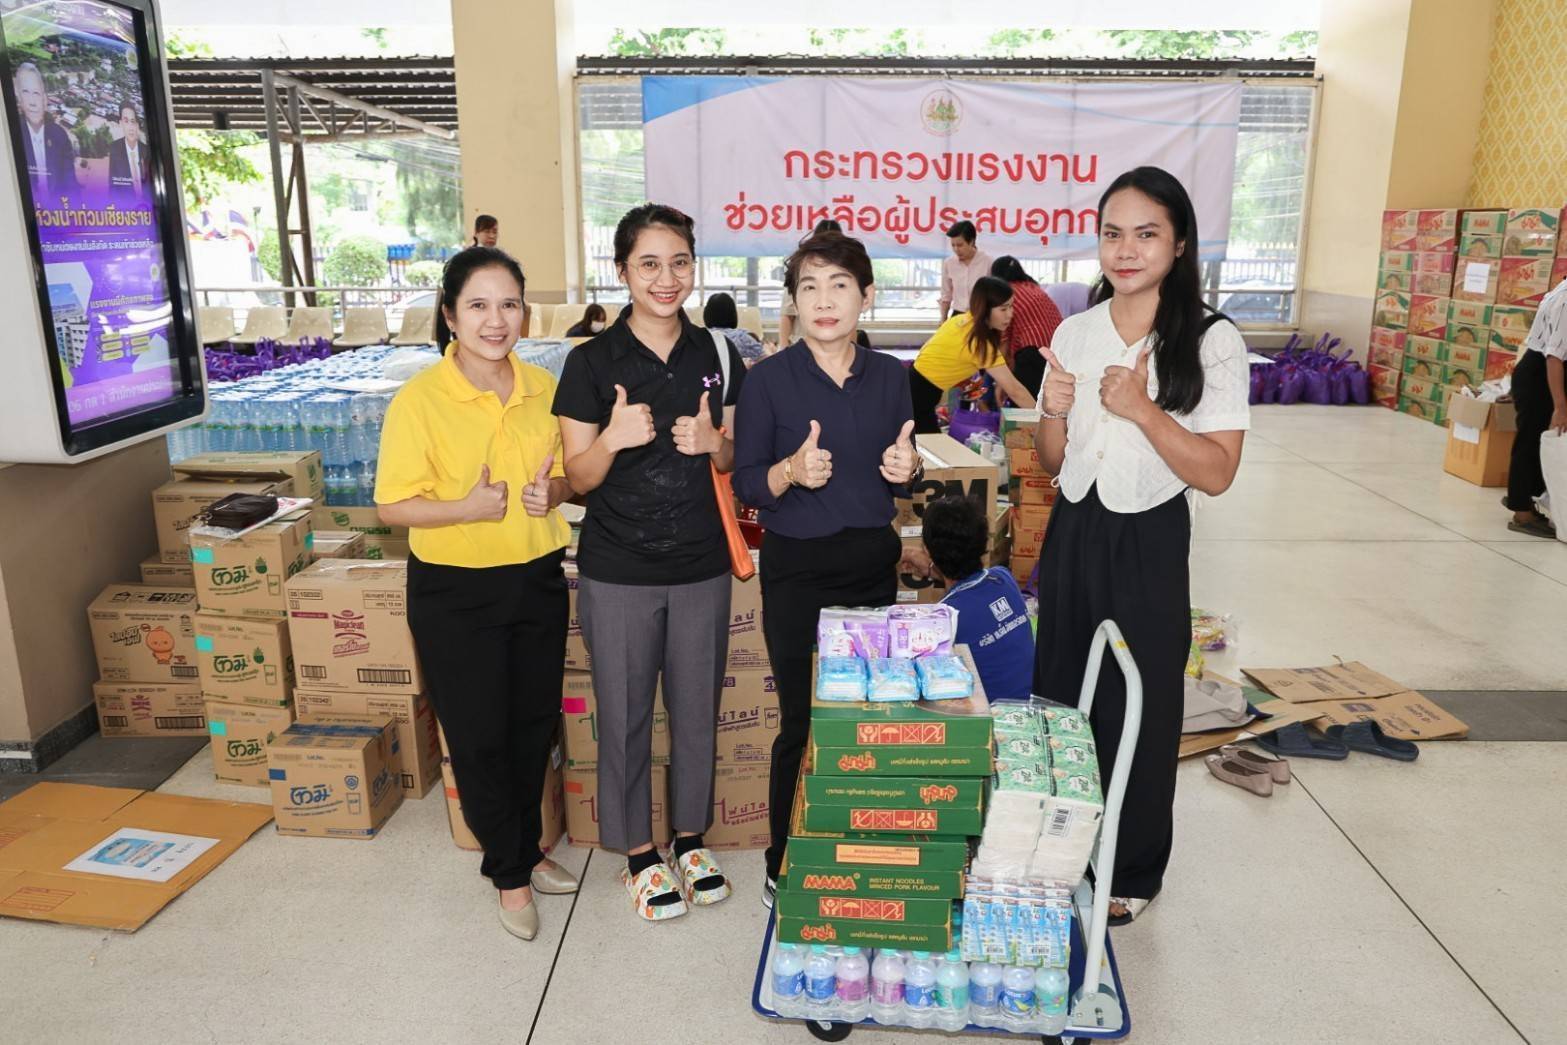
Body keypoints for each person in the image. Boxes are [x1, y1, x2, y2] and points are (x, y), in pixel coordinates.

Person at [1033, 166, 1249, 926]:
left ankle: (1129, 869)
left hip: (1149, 535)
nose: (1125, 250)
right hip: (1074, 528)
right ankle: (1057, 854)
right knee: (1061, 693)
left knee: (1140, 704)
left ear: (1179, 242)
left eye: (1146, 234)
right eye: (1112, 234)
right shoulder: (1075, 332)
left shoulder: (1212, 340)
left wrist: (1144, 409)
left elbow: (1216, 472)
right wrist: (1052, 411)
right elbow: (1052, 460)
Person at [374, 246, 580, 942]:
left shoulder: (543, 388)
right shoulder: (420, 399)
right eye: (479, 305)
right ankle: (510, 875)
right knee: (478, 734)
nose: (496, 320)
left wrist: (552, 490)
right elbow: (391, 505)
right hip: (455, 591)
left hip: (536, 576)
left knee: (531, 726)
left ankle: (525, 847)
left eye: (509, 304)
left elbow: (570, 475)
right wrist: (464, 507)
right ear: (450, 315)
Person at [553, 203, 747, 922]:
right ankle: (637, 851)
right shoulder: (590, 362)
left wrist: (714, 444)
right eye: (649, 264)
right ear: (622, 271)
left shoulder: (717, 355)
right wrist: (611, 438)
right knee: (626, 713)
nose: (666, 279)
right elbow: (576, 477)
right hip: (619, 570)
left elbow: (733, 457)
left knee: (697, 711)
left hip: (701, 565)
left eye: (679, 263)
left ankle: (689, 839)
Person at [732, 230, 921, 906]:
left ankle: (856, 843)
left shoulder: (892, 377)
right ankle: (782, 859)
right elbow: (747, 483)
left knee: (867, 716)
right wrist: (789, 470)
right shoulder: (768, 381)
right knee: (802, 721)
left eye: (839, 284)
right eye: (808, 286)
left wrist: (908, 469)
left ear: (865, 295)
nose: (823, 300)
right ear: (792, 301)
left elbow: (902, 468)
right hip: (798, 571)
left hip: (870, 566)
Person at [917, 495, 1034, 701]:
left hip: (988, 714)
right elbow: (970, 592)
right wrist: (932, 568)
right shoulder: (1003, 578)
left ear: (927, 549)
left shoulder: (944, 617)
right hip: (1029, 705)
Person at [909, 276, 1036, 434]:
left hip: (911, 385)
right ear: (985, 308)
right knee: (930, 445)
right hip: (917, 397)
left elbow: (934, 353)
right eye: (1003, 309)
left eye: (1011, 306)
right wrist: (1044, 419)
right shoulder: (980, 343)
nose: (1010, 314)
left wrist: (960, 376)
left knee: (928, 444)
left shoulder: (961, 320)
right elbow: (1015, 390)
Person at [1503, 278, 1567, 537]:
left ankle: (1525, 497)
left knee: (1538, 442)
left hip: (1542, 376)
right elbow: (1554, 357)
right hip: (1540, 377)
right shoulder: (1566, 299)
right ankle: (1521, 512)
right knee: (1529, 442)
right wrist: (1560, 406)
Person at [991, 256, 1064, 398]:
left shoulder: (1006, 294)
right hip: (1057, 350)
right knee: (1045, 401)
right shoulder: (1033, 287)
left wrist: (1001, 383)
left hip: (1032, 352)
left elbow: (1003, 343)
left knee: (1025, 402)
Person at [13, 62, 77, 195]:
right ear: (19, 98)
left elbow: (70, 184)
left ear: (44, 99)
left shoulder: (59, 135)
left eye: (36, 93)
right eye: (25, 92)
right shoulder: (11, 134)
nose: (32, 102)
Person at [778, 219, 845, 344]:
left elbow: (851, 320)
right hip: (802, 343)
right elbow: (787, 314)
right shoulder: (801, 268)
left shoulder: (846, 270)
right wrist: (783, 346)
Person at [938, 220, 993, 321]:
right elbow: (946, 295)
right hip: (958, 315)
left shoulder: (988, 262)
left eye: (960, 245)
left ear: (971, 242)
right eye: (953, 245)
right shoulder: (949, 263)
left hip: (981, 316)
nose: (956, 249)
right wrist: (943, 320)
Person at [702, 292, 767, 364]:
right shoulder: (743, 338)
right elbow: (765, 361)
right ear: (733, 314)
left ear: (707, 314)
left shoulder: (701, 337)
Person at [108, 101, 149, 198]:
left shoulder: (146, 151)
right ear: (121, 123)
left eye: (133, 121)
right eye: (126, 121)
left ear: (137, 125)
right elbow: (113, 187)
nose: (130, 127)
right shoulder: (114, 148)